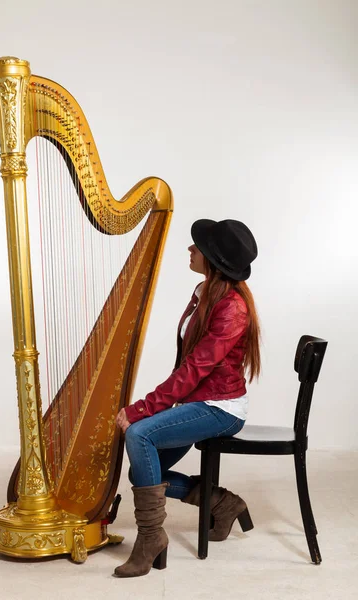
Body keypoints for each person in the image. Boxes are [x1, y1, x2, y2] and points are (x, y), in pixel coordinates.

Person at [114, 218, 261, 578]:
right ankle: (222, 503)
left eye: (198, 247)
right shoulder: (205, 292)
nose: (190, 249)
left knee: (139, 434)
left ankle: (150, 538)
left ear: (212, 259)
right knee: (143, 468)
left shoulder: (232, 308)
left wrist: (142, 409)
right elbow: (189, 366)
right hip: (197, 402)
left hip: (220, 408)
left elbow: (196, 367)